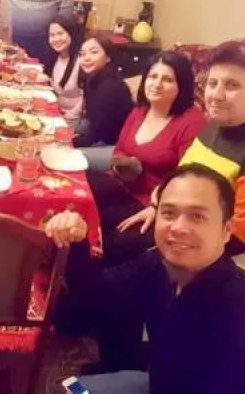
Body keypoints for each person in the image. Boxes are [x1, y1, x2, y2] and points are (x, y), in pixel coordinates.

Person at [47, 164, 245, 393]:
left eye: (197, 216)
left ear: (227, 229)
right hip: (161, 382)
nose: (179, 228)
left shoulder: (241, 319)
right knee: (71, 389)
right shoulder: (158, 264)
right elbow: (93, 293)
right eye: (169, 213)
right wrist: (78, 242)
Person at [118, 39, 245, 278]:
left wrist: (167, 247)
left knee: (116, 254)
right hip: (182, 226)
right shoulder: (214, 126)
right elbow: (181, 176)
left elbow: (243, 237)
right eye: (212, 83)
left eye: (232, 85)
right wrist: (156, 207)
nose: (216, 95)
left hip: (227, 258)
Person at [88, 52, 206, 266]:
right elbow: (119, 150)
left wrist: (156, 206)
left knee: (113, 242)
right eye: (153, 77)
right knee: (80, 188)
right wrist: (124, 166)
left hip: (154, 205)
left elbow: (187, 179)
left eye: (167, 79)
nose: (157, 84)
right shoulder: (140, 111)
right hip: (123, 187)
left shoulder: (192, 122)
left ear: (182, 86)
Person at [73, 36, 133, 169]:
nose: (86, 58)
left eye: (93, 52)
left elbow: (94, 134)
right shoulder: (93, 79)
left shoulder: (110, 87)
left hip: (117, 145)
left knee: (68, 156)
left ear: (108, 57)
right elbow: (91, 121)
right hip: (101, 135)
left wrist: (68, 144)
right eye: (82, 54)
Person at [47, 14, 84, 122]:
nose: (56, 39)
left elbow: (87, 98)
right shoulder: (55, 56)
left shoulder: (82, 60)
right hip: (57, 110)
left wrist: (68, 117)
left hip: (74, 118)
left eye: (60, 33)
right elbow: (56, 87)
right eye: (52, 35)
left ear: (71, 33)